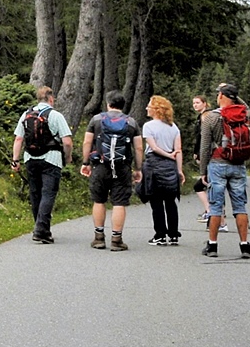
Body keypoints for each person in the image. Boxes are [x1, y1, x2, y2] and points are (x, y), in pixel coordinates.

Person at [79, 92, 144, 251]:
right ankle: (117, 239)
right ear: (123, 105)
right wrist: (138, 168)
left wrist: (85, 162)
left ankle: (99, 238)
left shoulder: (96, 120)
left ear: (108, 103)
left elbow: (88, 141)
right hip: (122, 168)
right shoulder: (131, 123)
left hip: (100, 166)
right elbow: (139, 147)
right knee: (119, 202)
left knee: (99, 200)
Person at [10, 85, 73, 243]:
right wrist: (68, 157)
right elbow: (67, 141)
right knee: (48, 193)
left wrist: (15, 160)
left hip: (30, 159)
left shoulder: (26, 114)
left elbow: (18, 138)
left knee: (35, 193)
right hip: (51, 159)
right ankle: (41, 230)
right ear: (51, 99)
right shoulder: (56, 115)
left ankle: (39, 227)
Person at [199, 82, 250, 259]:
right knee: (240, 206)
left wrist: (202, 171)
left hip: (217, 164)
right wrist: (233, 92)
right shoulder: (243, 115)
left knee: (215, 206)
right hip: (238, 164)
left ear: (221, 96)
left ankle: (212, 245)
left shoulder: (211, 118)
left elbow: (205, 147)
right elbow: (246, 106)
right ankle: (244, 246)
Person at [141, 95, 185, 246]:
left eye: (149, 106)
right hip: (170, 168)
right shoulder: (174, 127)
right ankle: (173, 234)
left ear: (156, 109)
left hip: (154, 165)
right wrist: (179, 170)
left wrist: (167, 155)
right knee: (170, 201)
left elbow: (153, 148)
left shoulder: (149, 126)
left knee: (156, 201)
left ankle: (160, 234)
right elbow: (178, 150)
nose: (147, 108)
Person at [190, 95, 210, 222]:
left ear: (205, 103)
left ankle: (210, 211)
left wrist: (200, 153)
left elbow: (204, 138)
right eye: (193, 103)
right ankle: (211, 210)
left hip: (207, 155)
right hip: (202, 152)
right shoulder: (200, 117)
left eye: (197, 102)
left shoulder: (206, 117)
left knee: (202, 184)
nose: (195, 105)